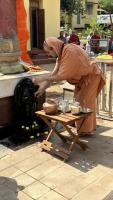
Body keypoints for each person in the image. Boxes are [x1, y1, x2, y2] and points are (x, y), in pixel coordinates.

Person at [33, 37, 105, 136]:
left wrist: (41, 78)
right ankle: (84, 128)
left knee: (85, 103)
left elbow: (61, 76)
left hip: (91, 77)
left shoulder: (69, 51)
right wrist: (42, 88)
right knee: (78, 102)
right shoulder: (61, 55)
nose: (48, 55)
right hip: (82, 80)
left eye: (48, 52)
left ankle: (86, 131)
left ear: (53, 47)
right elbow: (54, 74)